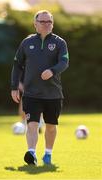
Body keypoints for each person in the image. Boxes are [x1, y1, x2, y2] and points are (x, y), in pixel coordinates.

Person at [11, 10, 69, 165]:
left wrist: (52, 71)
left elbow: (64, 62)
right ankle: (31, 153)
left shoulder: (60, 42)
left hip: (53, 94)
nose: (46, 24)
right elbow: (17, 65)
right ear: (35, 24)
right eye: (43, 21)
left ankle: (48, 154)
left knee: (50, 127)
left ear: (52, 24)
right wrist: (14, 86)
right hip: (31, 93)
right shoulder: (26, 42)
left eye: (49, 21)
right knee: (32, 124)